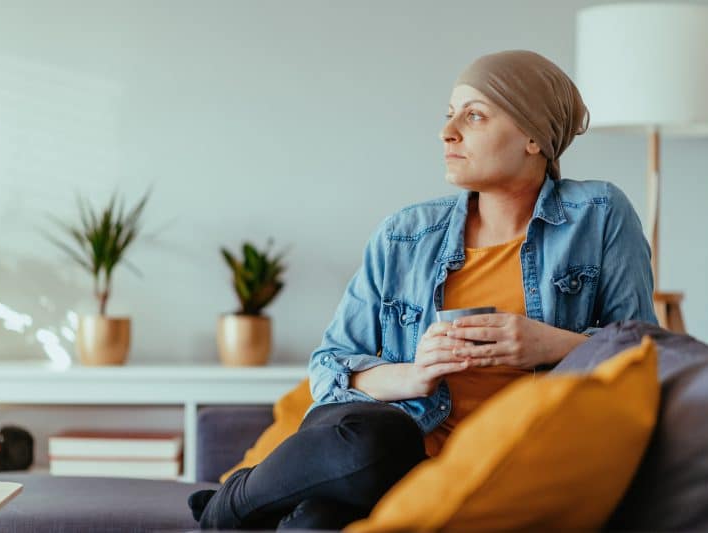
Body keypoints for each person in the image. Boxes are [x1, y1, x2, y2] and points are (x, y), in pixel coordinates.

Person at [188, 49, 658, 530]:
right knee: (371, 442)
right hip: (385, 449)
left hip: (488, 470)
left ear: (534, 137)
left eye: (474, 115)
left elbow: (647, 355)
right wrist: (415, 374)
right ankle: (233, 505)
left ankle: (230, 510)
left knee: (315, 523)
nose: (448, 132)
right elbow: (329, 367)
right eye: (449, 114)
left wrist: (548, 344)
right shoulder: (406, 234)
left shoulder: (599, 215)